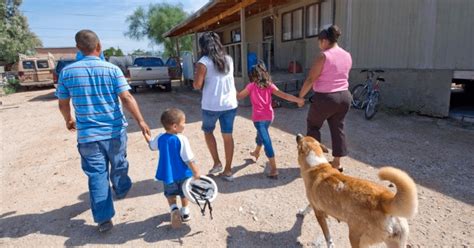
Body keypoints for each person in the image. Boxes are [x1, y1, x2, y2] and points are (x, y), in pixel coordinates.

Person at [56, 30, 150, 233]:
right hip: (115, 132)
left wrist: (68, 120)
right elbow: (126, 98)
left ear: (78, 49)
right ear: (99, 46)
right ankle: (121, 188)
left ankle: (104, 219)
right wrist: (141, 121)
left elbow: (63, 103)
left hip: (88, 137)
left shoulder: (67, 73)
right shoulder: (112, 69)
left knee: (97, 175)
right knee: (119, 163)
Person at [298, 25, 352, 172]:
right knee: (338, 127)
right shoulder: (347, 55)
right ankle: (337, 163)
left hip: (326, 98)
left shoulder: (324, 56)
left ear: (324, 41)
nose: (319, 46)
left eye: (319, 42)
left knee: (313, 126)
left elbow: (310, 79)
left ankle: (314, 161)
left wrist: (301, 96)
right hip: (345, 97)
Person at [237, 62, 305, 178]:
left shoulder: (251, 86)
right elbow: (284, 95)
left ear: (252, 75)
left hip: (258, 119)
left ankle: (274, 169)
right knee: (261, 135)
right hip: (269, 117)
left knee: (266, 140)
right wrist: (298, 100)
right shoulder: (269, 85)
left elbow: (239, 96)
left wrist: (230, 89)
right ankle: (256, 152)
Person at [144, 108, 201, 229]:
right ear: (175, 126)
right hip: (183, 174)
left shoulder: (160, 138)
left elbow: (152, 146)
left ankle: (174, 209)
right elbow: (188, 158)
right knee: (184, 192)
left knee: (170, 194)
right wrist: (196, 172)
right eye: (183, 122)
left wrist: (147, 137)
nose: (185, 125)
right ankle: (185, 212)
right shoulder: (182, 139)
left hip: (168, 175)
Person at [193, 31, 238, 182]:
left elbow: (197, 85)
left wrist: (197, 76)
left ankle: (217, 162)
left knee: (208, 132)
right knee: (228, 136)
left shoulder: (203, 62)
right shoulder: (229, 60)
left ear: (203, 46)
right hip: (230, 104)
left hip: (211, 105)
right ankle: (228, 170)